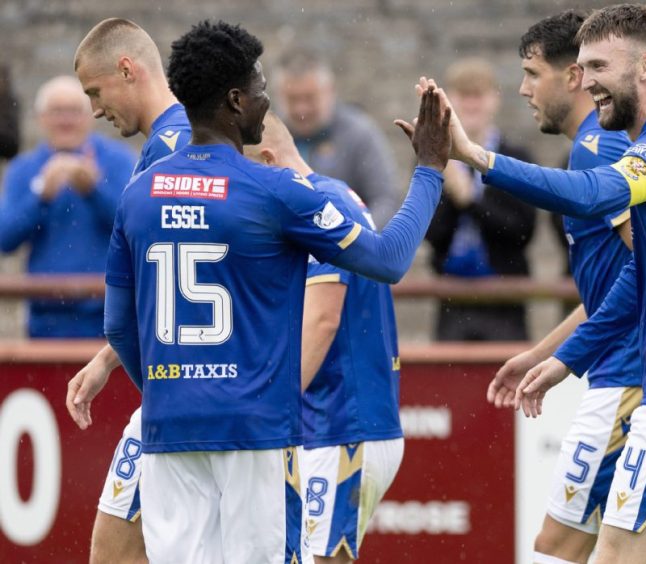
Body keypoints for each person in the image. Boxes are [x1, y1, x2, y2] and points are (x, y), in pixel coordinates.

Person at [428, 3, 646, 562]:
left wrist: (475, 156)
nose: (588, 81)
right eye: (582, 66)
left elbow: (590, 195)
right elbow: (639, 274)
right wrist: (562, 359)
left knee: (600, 553)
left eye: (600, 67)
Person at [102, 20, 448, 563]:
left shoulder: (138, 192)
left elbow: (119, 325)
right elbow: (388, 259)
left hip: (170, 430)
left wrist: (169, 390)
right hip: (255, 433)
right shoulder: (275, 191)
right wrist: (428, 169)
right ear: (236, 102)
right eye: (261, 88)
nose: (269, 100)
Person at [486, 11, 641, 564]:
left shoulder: (601, 148)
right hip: (641, 372)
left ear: (572, 77)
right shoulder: (598, 145)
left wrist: (568, 360)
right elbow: (617, 280)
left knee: (559, 546)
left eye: (532, 73)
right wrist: (540, 351)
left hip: (629, 376)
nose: (523, 89)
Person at [244, 113, 404, 564]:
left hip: (344, 426)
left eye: (246, 174)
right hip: (330, 424)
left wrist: (264, 412)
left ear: (269, 159)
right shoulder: (327, 198)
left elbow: (322, 321)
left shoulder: (319, 206)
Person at [67, 17, 193, 564]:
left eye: (95, 92)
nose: (94, 109)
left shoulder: (170, 154)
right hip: (202, 390)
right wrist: (107, 360)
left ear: (127, 69)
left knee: (115, 550)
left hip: (185, 394)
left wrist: (136, 363)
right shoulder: (182, 140)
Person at [0, 75, 136, 337]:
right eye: (57, 111)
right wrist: (41, 195)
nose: (66, 120)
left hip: (109, 315)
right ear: (41, 119)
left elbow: (136, 228)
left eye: (74, 111)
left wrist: (94, 190)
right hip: (46, 317)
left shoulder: (118, 161)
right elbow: (5, 239)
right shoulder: (24, 169)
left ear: (90, 116)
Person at [424, 58, 537, 341]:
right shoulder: (433, 159)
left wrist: (470, 199)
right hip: (451, 297)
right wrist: (452, 194)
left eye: (478, 95)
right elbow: (431, 234)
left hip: (504, 298)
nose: (471, 105)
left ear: (493, 100)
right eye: (463, 96)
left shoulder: (516, 157)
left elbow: (521, 231)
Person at [276, 50, 401, 226]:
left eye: (309, 98)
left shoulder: (359, 133)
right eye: (292, 99)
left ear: (329, 91)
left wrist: (360, 239)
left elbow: (386, 199)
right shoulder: (267, 137)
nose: (301, 110)